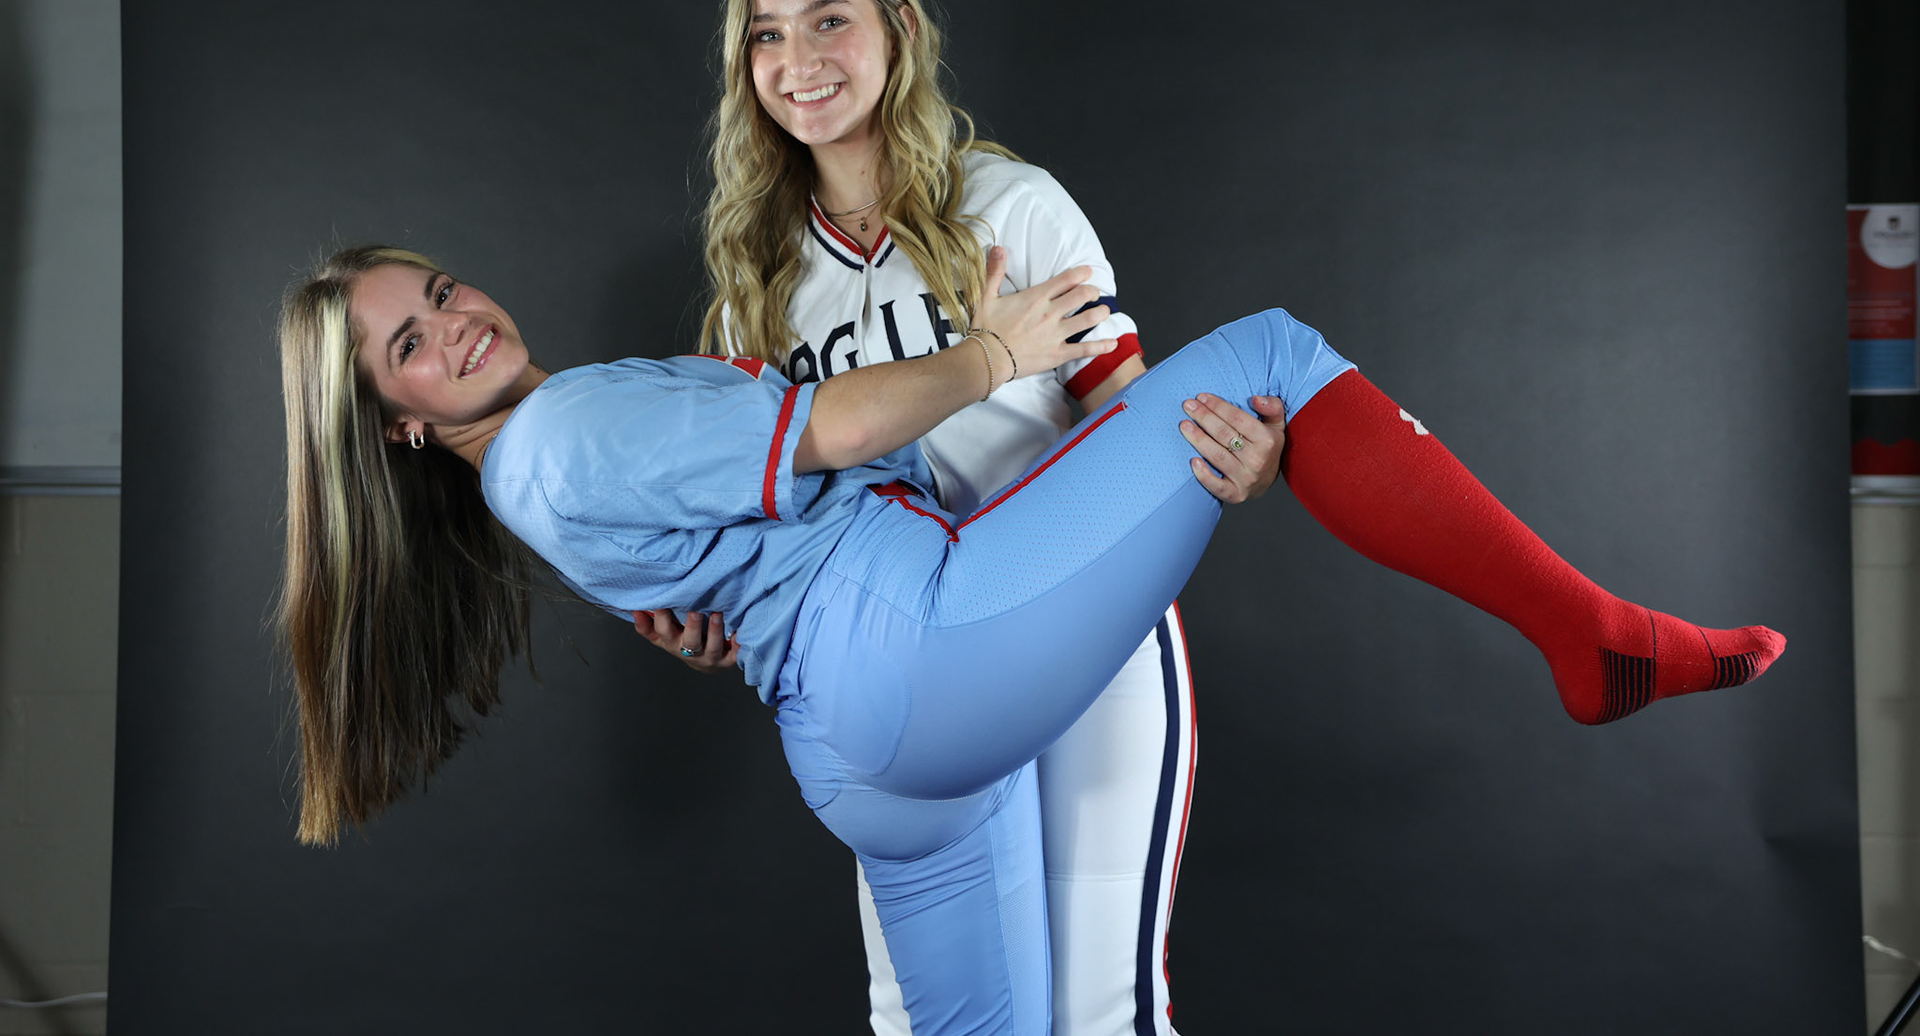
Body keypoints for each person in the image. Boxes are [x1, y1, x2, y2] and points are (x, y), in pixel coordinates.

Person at [276, 244, 1785, 1036]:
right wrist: (999, 347)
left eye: (445, 288)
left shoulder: (526, 478)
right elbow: (849, 421)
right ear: (398, 424)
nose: (459, 322)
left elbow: (703, 591)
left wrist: (721, 616)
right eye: (413, 341)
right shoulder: (572, 423)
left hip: (863, 756)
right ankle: (1597, 642)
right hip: (922, 648)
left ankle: (1591, 638)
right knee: (1266, 354)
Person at [634, 0, 1277, 1036]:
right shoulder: (755, 287)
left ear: (900, 28)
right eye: (768, 36)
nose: (801, 60)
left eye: (830, 19)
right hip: (900, 671)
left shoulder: (1010, 205)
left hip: (1083, 633)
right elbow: (769, 520)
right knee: (929, 1015)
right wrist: (714, 611)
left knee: (1096, 1009)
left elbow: (1134, 424)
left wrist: (1230, 455)